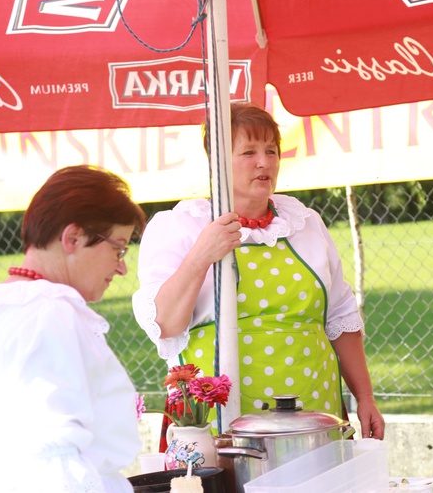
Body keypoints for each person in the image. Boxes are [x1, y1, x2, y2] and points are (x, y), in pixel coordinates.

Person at [132, 102, 384, 448]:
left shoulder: (304, 222)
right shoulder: (180, 226)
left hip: (315, 411)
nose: (264, 162)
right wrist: (201, 255)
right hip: (216, 422)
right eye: (248, 152)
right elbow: (165, 324)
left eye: (271, 150)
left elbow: (341, 318)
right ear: (216, 161)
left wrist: (365, 397)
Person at [0, 165, 148, 492]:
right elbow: (55, 463)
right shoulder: (51, 316)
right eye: (118, 248)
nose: (122, 266)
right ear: (73, 237)